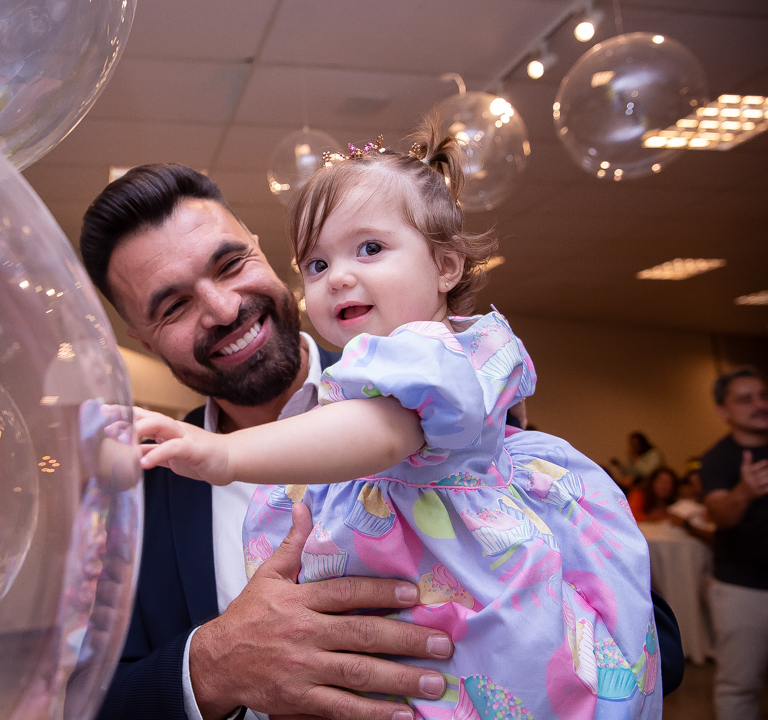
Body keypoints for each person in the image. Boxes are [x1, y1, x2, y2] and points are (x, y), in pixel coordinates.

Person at [78, 157, 683, 720]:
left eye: (230, 264)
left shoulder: (436, 391)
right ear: (140, 341)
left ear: (261, 255)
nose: (221, 307)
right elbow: (86, 699)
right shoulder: (131, 497)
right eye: (174, 305)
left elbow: (646, 635)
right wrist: (209, 667)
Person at [701, 366, 768, 720]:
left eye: (762, 395)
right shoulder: (718, 459)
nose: (759, 404)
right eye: (746, 399)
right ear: (723, 411)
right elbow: (720, 516)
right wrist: (745, 491)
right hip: (745, 589)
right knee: (739, 686)